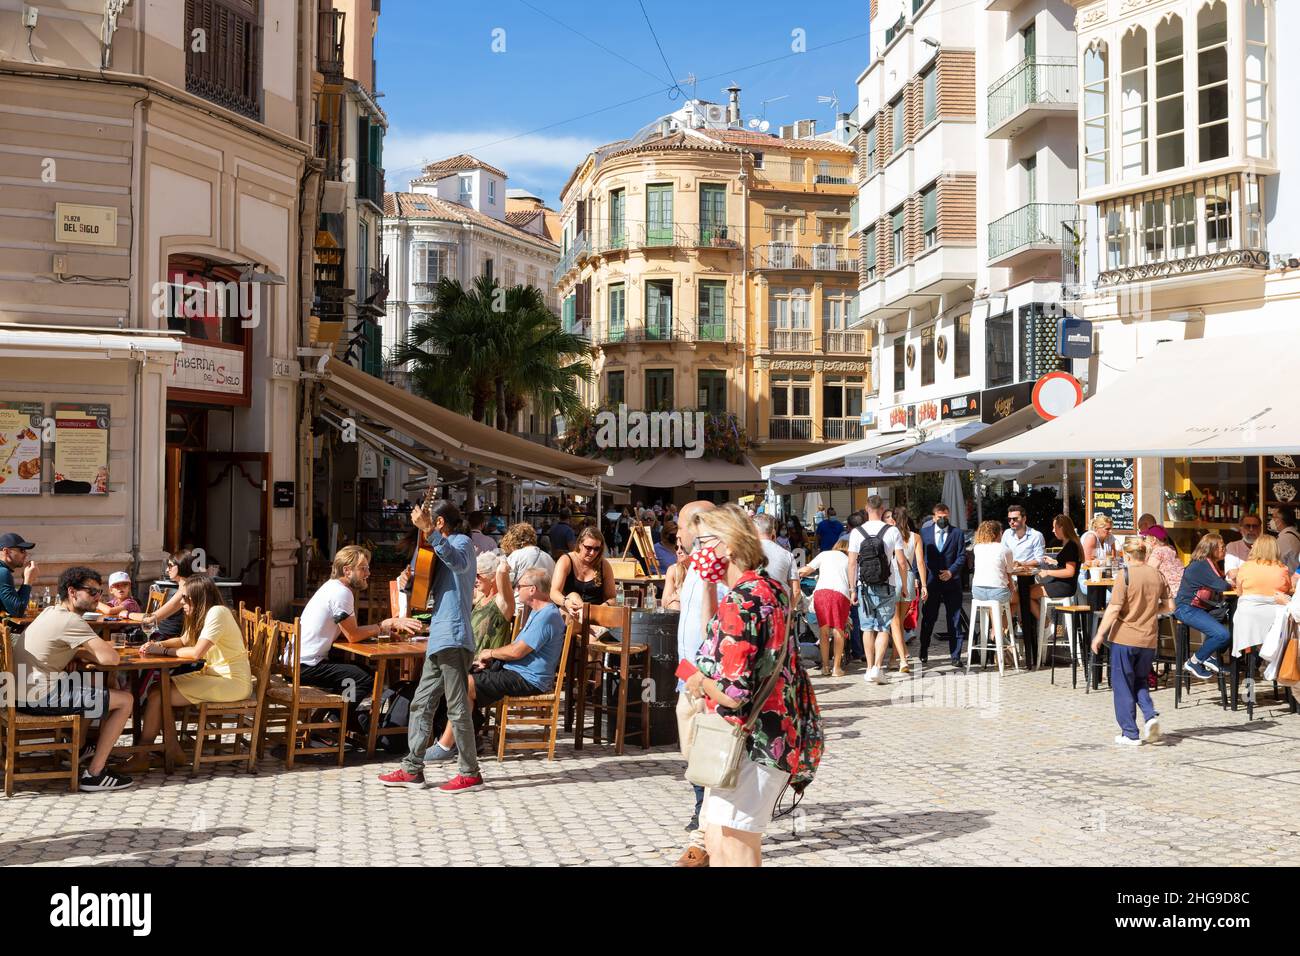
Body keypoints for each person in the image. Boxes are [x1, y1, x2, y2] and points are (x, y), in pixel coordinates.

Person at [684, 504, 799, 867]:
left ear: (728, 545)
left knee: (733, 846)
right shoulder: (769, 589)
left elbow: (733, 694)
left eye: (703, 542)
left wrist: (699, 681)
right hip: (774, 733)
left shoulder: (741, 601)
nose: (696, 552)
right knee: (722, 840)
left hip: (751, 741)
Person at [377, 500, 484, 793]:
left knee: (457, 706)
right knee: (421, 703)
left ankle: (470, 773)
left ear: (439, 523)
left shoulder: (461, 542)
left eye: (428, 523)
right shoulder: (433, 548)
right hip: (439, 636)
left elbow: (458, 563)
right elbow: (421, 592)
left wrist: (429, 534)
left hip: (454, 635)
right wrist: (407, 582)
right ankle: (412, 769)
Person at [14, 566, 135, 791]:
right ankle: (95, 774)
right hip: (38, 698)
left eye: (100, 592)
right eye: (92, 592)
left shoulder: (50, 611)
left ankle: (78, 750)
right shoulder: (72, 621)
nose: (97, 598)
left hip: (21, 692)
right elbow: (111, 659)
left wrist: (77, 652)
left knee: (95, 683)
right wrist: (86, 651)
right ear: (72, 591)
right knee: (126, 700)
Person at [129, 575, 254, 770]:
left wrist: (162, 651)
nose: (181, 603)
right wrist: (157, 644)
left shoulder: (218, 613)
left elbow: (196, 653)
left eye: (185, 598)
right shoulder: (202, 615)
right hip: (214, 675)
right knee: (157, 689)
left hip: (232, 682)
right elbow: (183, 641)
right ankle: (171, 750)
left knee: (159, 694)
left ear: (198, 598)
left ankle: (144, 755)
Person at [423, 562, 538, 762]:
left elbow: (503, 584)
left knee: (454, 682)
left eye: (479, 575)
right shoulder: (480, 599)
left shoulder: (502, 603)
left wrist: (501, 570)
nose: (475, 580)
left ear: (492, 577)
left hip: (489, 665)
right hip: (469, 660)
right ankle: (465, 736)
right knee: (434, 676)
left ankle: (449, 743)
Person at [296, 545, 422, 700]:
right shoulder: (341, 592)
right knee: (364, 679)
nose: (368, 573)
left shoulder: (331, 587)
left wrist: (381, 631)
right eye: (363, 569)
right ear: (347, 570)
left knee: (360, 673)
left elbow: (347, 631)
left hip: (297, 663)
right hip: (306, 666)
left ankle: (339, 716)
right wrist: (385, 625)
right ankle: (337, 718)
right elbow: (353, 636)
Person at [673, 500, 722, 867]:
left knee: (707, 755)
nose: (676, 533)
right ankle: (702, 809)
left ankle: (704, 827)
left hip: (708, 681)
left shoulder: (716, 568)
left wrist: (710, 679)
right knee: (691, 753)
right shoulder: (693, 566)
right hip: (687, 677)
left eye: (680, 526)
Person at [1091, 538, 1173, 746]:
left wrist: (1100, 634)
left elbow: (1114, 608)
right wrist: (1151, 612)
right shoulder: (1157, 575)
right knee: (1141, 681)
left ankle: (1129, 733)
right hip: (1148, 639)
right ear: (1144, 555)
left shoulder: (1124, 574)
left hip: (1125, 637)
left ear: (1127, 556)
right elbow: (1170, 606)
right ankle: (1150, 715)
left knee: (1122, 685)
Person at [849, 495, 907, 683]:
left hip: (863, 586)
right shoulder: (892, 531)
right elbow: (901, 562)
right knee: (883, 627)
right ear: (882, 509)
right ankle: (877, 667)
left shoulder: (857, 532)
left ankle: (868, 668)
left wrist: (852, 589)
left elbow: (851, 563)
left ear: (866, 509)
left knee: (867, 628)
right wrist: (904, 585)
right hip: (887, 584)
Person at [917, 503, 968, 668]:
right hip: (931, 582)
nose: (943, 520)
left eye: (945, 517)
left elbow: (962, 556)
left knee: (954, 619)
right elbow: (918, 557)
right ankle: (923, 651)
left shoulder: (957, 533)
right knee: (928, 618)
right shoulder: (924, 533)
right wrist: (919, 578)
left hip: (952, 583)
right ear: (934, 517)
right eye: (939, 517)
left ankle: (956, 656)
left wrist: (951, 571)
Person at [1174, 533, 1231, 681]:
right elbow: (1222, 585)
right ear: (1211, 549)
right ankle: (1195, 661)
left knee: (1233, 621)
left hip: (1200, 607)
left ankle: (1208, 655)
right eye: (1222, 547)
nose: (1224, 549)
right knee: (1222, 635)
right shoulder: (1202, 565)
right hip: (1187, 608)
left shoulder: (1208, 563)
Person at [1232, 536, 1294, 660]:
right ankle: (1268, 658)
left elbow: (1239, 593)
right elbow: (1287, 590)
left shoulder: (1245, 567)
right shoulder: (1282, 569)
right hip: (1274, 620)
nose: (1251, 546)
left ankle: (1253, 660)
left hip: (1248, 620)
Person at [798, 537, 852, 676]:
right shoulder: (850, 561)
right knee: (838, 629)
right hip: (840, 594)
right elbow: (853, 583)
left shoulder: (824, 554)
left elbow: (805, 571)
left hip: (821, 593)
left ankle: (825, 666)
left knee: (824, 630)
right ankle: (836, 668)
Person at [1001, 504, 1044, 662]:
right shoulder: (1006, 534)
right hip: (1010, 578)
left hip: (1028, 577)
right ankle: (1041, 627)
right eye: (1010, 519)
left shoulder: (1035, 535)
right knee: (1017, 599)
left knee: (1019, 597)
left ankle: (998, 633)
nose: (1012, 522)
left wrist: (1022, 563)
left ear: (1024, 519)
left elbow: (1039, 559)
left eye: (1015, 519)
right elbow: (1003, 555)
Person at [1028, 515, 1082, 640]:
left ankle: (1048, 626)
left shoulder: (1070, 546)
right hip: (1065, 584)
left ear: (1062, 528)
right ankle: (1045, 625)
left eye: (1054, 527)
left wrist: (1047, 572)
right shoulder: (1070, 543)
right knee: (1026, 590)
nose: (1053, 530)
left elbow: (1070, 572)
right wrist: (1054, 562)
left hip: (1064, 586)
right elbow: (1067, 565)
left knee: (1025, 593)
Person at [550, 526, 617, 623]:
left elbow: (612, 598)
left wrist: (605, 605)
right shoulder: (566, 560)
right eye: (588, 548)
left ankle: (588, 627)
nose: (592, 553)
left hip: (594, 616)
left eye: (596, 549)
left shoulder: (604, 565)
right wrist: (566, 602)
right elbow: (554, 592)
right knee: (573, 596)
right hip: (570, 614)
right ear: (580, 544)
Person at [889, 511, 925, 672]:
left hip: (892, 577)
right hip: (909, 578)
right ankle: (893, 659)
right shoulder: (916, 537)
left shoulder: (889, 534)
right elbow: (920, 562)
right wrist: (924, 585)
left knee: (895, 622)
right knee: (900, 622)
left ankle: (902, 659)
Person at [971, 519, 1016, 610]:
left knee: (995, 605)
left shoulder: (977, 548)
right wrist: (1012, 588)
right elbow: (1009, 573)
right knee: (1016, 600)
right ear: (998, 533)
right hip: (998, 593)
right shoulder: (1005, 549)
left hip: (977, 592)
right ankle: (1000, 624)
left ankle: (995, 622)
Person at [499, 522, 556, 588]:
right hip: (545, 597)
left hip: (520, 597)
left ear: (512, 540)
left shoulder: (516, 556)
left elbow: (506, 583)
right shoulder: (549, 558)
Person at [754, 514, 795, 592]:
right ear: (773, 531)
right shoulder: (788, 555)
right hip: (780, 601)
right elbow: (796, 590)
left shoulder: (745, 554)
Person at [0, 531, 38, 616]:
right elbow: (17, 611)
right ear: (6, 551)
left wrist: (26, 579)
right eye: (22, 550)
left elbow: (14, 605)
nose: (26, 554)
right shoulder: (3, 572)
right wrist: (28, 581)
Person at [1143, 524, 1184, 598]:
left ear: (1154, 540)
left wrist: (1147, 552)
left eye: (1145, 538)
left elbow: (1146, 574)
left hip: (1170, 595)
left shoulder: (1158, 551)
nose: (1144, 541)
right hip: (1181, 591)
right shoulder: (1170, 549)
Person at [1224, 514, 1264, 581]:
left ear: (1260, 529)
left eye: (1255, 526)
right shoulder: (1232, 547)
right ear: (1241, 529)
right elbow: (1233, 575)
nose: (1251, 529)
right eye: (1247, 526)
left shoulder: (1266, 548)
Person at [660, 535, 690, 612]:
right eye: (676, 548)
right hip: (677, 611)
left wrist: (681, 597)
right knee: (675, 605)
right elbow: (665, 602)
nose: (678, 551)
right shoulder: (673, 570)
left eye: (682, 548)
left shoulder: (700, 570)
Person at [1269, 506, 1300, 572]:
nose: (1272, 520)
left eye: (1274, 517)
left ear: (1282, 519)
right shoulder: (1294, 534)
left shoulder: (1285, 539)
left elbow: (1276, 564)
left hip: (1289, 579)